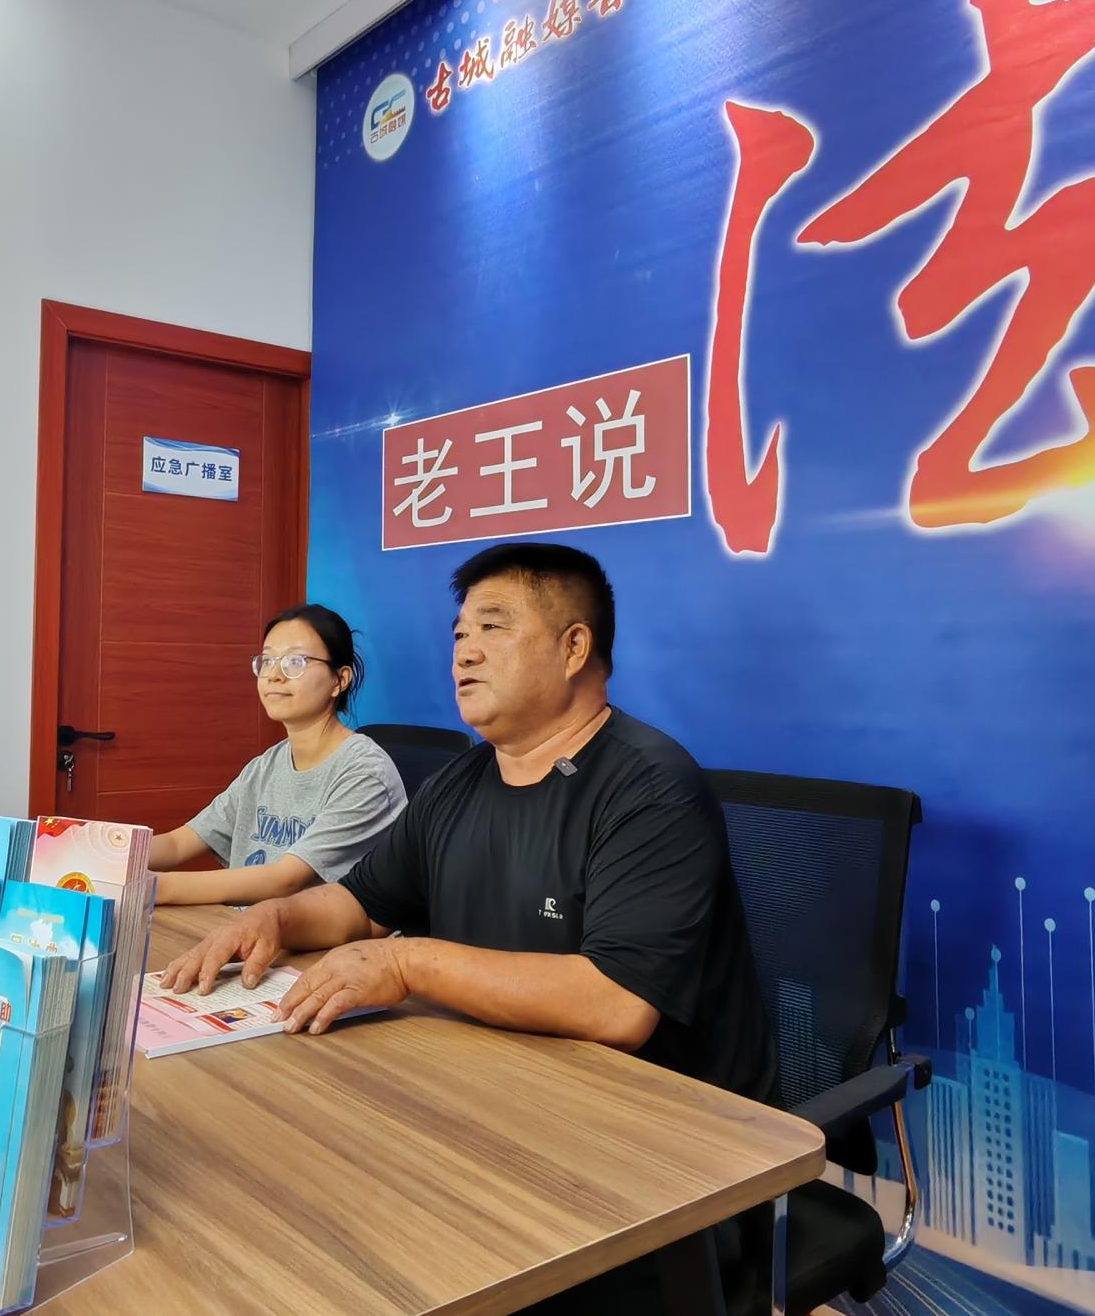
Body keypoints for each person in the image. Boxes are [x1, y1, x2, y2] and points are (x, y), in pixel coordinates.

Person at [158, 543, 770, 1310]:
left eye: (493, 626)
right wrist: (277, 916)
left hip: (659, 1167)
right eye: (458, 633)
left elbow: (616, 1002)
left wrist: (406, 965)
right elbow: (361, 904)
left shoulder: (649, 787)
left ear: (574, 647)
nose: (465, 651)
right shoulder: (460, 782)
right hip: (492, 1110)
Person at [147, 604, 406, 907]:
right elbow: (177, 844)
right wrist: (108, 851)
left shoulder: (365, 772)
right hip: (246, 925)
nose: (274, 675)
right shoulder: (265, 766)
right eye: (267, 660)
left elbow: (285, 879)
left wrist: (152, 888)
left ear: (340, 680)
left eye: (295, 661)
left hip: (317, 934)